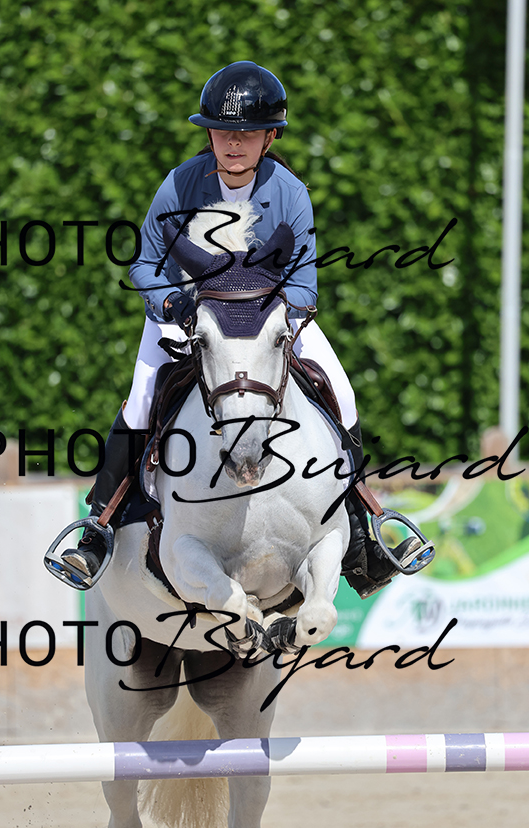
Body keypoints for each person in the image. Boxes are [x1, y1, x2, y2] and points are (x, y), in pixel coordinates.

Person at [58, 61, 421, 599]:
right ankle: (98, 528)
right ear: (208, 133)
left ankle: (362, 533)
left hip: (266, 323)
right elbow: (145, 264)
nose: (233, 143)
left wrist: (271, 319)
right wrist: (171, 303)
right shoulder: (179, 183)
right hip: (189, 317)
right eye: (222, 131)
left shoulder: (291, 192)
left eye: (248, 133)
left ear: (270, 137)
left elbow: (304, 284)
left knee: (342, 395)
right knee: (140, 403)